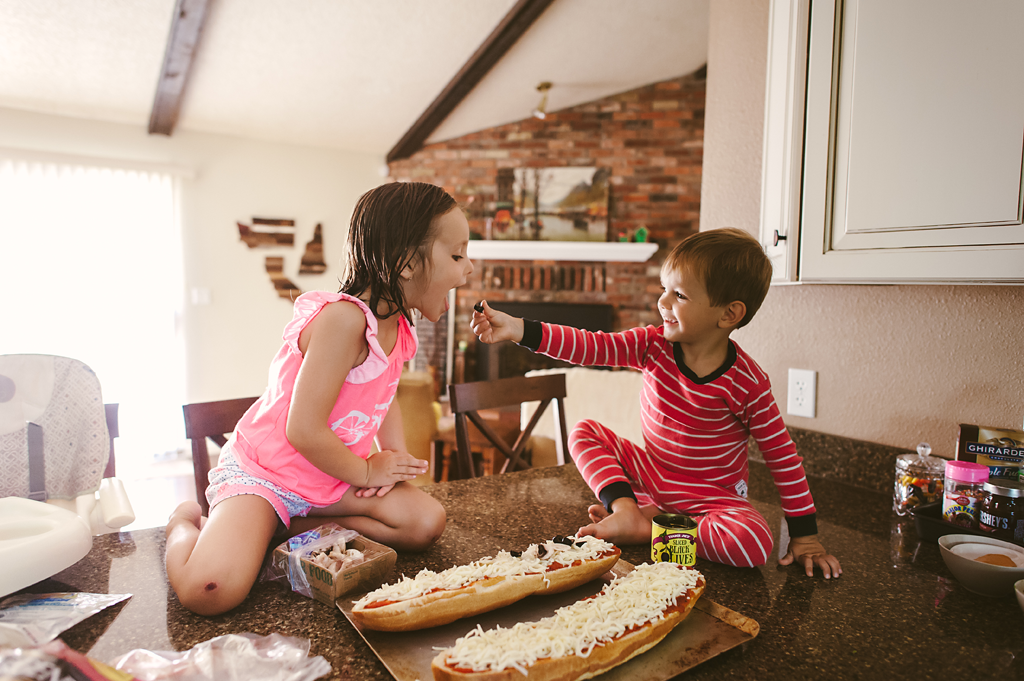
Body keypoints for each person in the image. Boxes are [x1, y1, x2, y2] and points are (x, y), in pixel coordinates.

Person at [166, 182, 473, 615]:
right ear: (406, 263)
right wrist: (367, 471)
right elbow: (303, 429)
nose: (468, 269)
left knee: (426, 523)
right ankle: (185, 523)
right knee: (210, 591)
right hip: (268, 474)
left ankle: (283, 528)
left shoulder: (401, 327)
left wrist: (395, 459)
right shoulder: (343, 320)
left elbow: (386, 395)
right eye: (457, 255)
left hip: (329, 478)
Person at [471, 228, 842, 578]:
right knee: (584, 432)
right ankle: (628, 509)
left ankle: (647, 530)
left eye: (679, 295)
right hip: (651, 474)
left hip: (711, 499)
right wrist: (519, 329)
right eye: (665, 289)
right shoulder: (652, 345)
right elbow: (590, 345)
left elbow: (783, 458)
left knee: (754, 545)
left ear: (729, 314)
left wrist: (804, 536)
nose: (662, 301)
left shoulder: (749, 383)